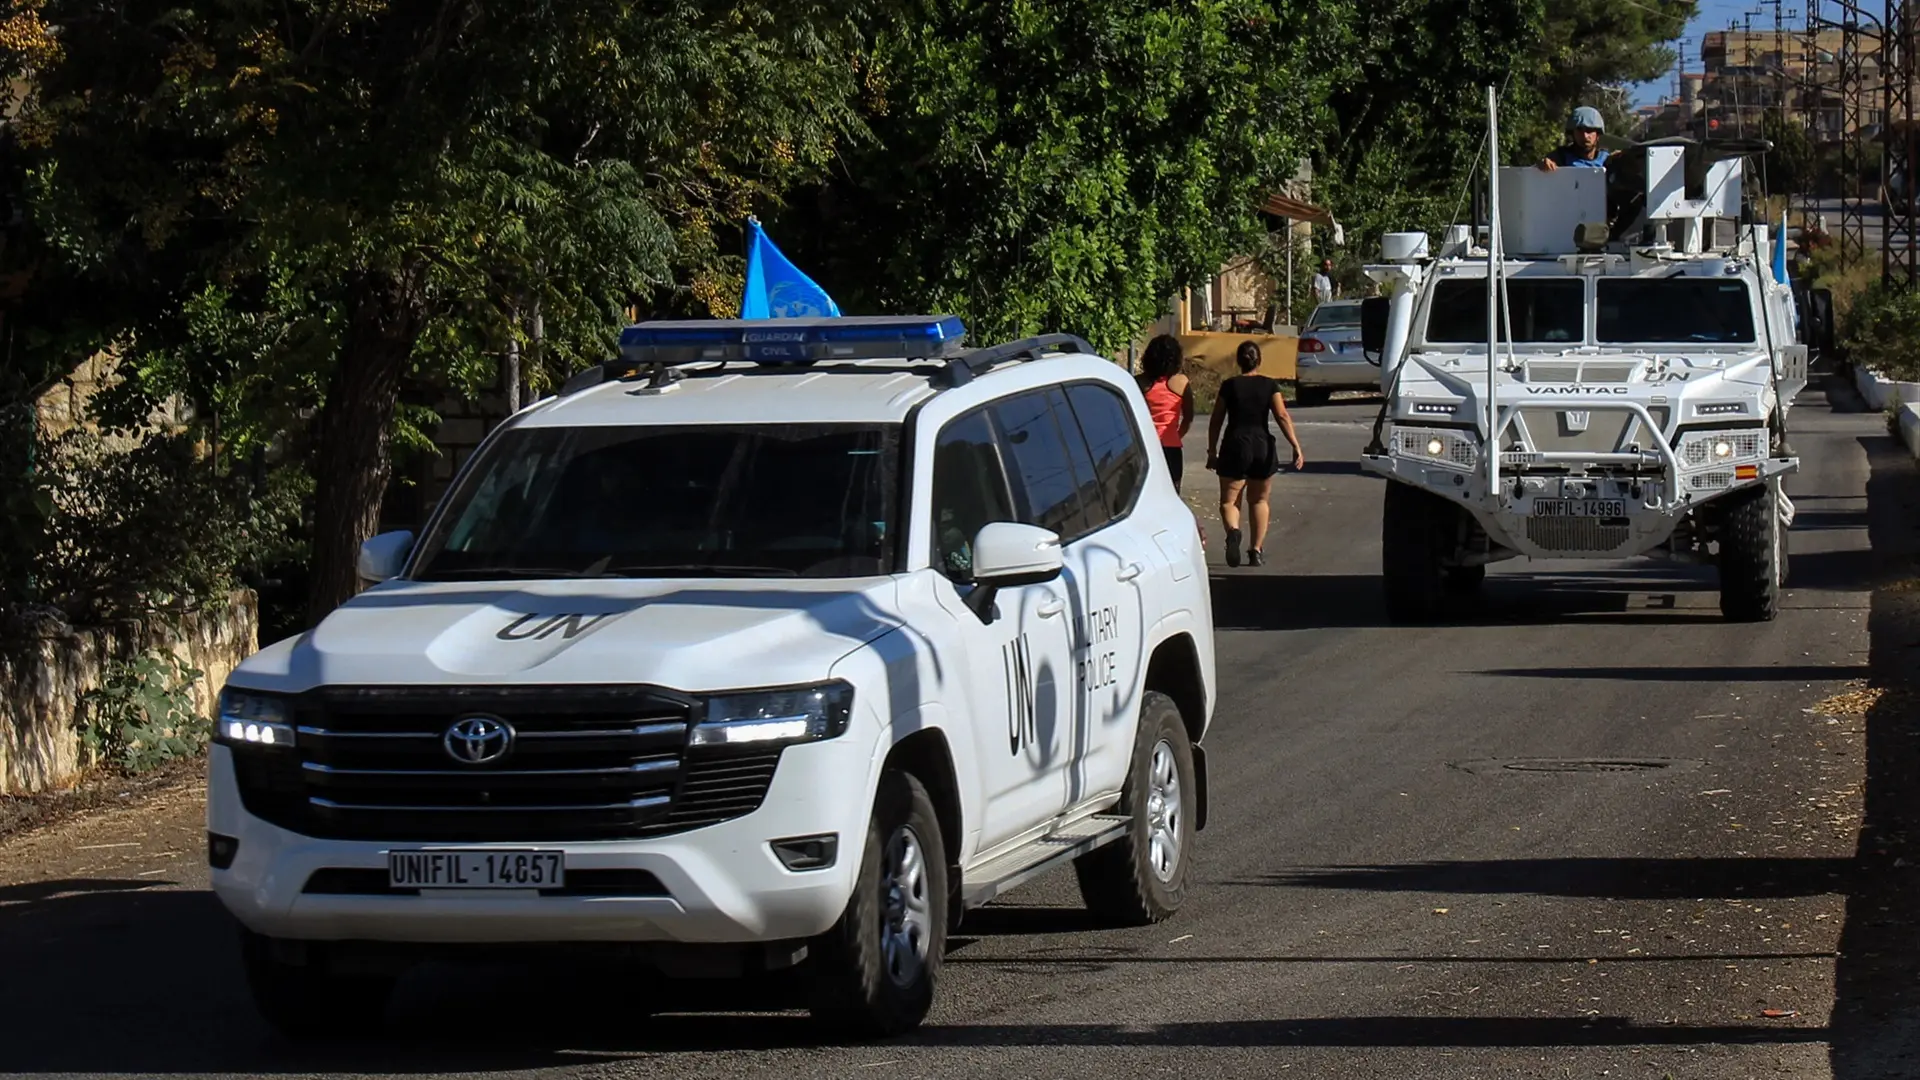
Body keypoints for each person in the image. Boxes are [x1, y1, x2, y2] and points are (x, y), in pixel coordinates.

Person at [1206, 341, 1305, 568]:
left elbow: (1216, 420)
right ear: (1258, 360)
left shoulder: (1229, 386)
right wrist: (1295, 445)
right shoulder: (1270, 385)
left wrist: (1212, 451)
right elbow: (1281, 416)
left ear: (1239, 361)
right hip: (1262, 446)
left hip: (1234, 446)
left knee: (1229, 502)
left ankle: (1233, 532)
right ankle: (1256, 551)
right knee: (1259, 500)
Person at [1136, 334, 1195, 488]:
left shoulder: (1139, 382)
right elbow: (1188, 418)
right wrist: (1176, 435)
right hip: (1172, 447)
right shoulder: (1181, 382)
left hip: (1145, 446)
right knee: (1173, 494)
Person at [1536, 106, 1610, 172]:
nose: (1585, 136)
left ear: (1597, 134)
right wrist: (1542, 166)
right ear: (1572, 133)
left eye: (1589, 130)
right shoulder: (1560, 157)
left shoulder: (1607, 160)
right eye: (1579, 130)